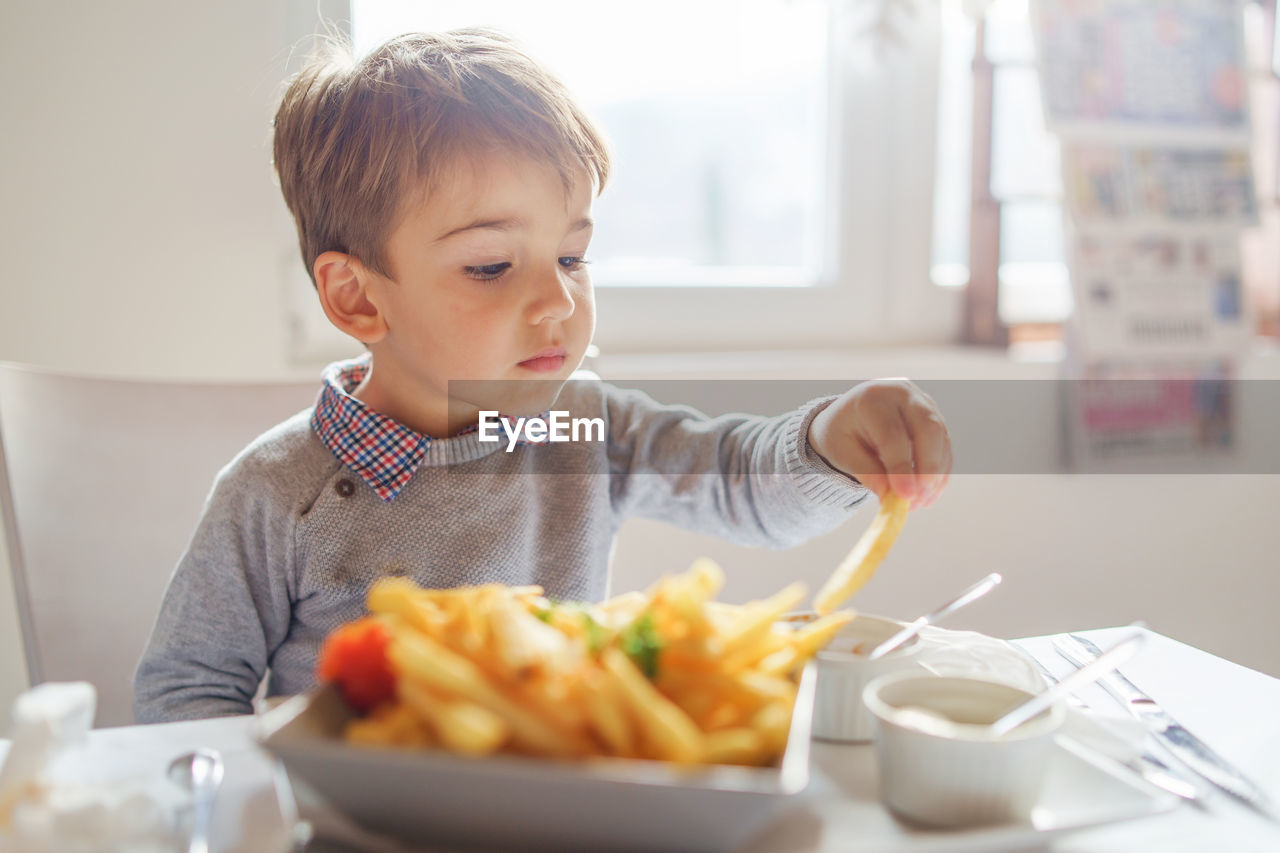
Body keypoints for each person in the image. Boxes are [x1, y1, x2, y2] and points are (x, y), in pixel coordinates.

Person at [133, 28, 952, 723]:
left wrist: (827, 442)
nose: (558, 298)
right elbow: (186, 691)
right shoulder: (277, 493)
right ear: (357, 298)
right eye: (491, 265)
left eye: (572, 255)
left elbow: (740, 482)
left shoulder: (582, 427)